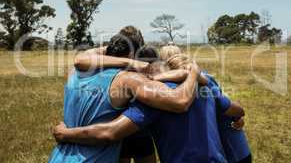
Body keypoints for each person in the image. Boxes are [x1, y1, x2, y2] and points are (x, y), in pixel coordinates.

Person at [52, 46, 245, 163]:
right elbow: (234, 109)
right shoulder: (206, 87)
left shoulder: (154, 101)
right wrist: (238, 117)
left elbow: (110, 132)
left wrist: (66, 134)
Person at [48, 32, 199, 162]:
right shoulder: (128, 80)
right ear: (133, 55)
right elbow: (180, 101)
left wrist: (65, 134)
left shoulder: (74, 73)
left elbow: (81, 58)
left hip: (58, 157)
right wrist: (193, 72)